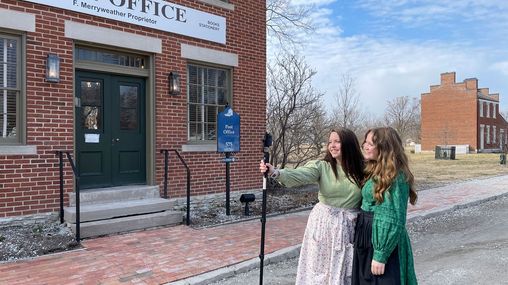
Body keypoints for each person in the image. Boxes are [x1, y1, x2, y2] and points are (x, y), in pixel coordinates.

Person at [260, 128, 365, 285]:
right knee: (319, 273)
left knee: (346, 271)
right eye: (330, 142)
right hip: (323, 225)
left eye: (337, 141)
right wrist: (276, 172)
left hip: (350, 227)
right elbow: (301, 174)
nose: (332, 145)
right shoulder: (322, 167)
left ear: (349, 144)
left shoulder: (363, 169)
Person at [352, 127, 418, 285]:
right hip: (368, 236)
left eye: (370, 144)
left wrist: (381, 254)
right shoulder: (375, 169)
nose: (365, 146)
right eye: (365, 142)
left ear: (385, 147)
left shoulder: (396, 176)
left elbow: (392, 217)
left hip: (382, 241)